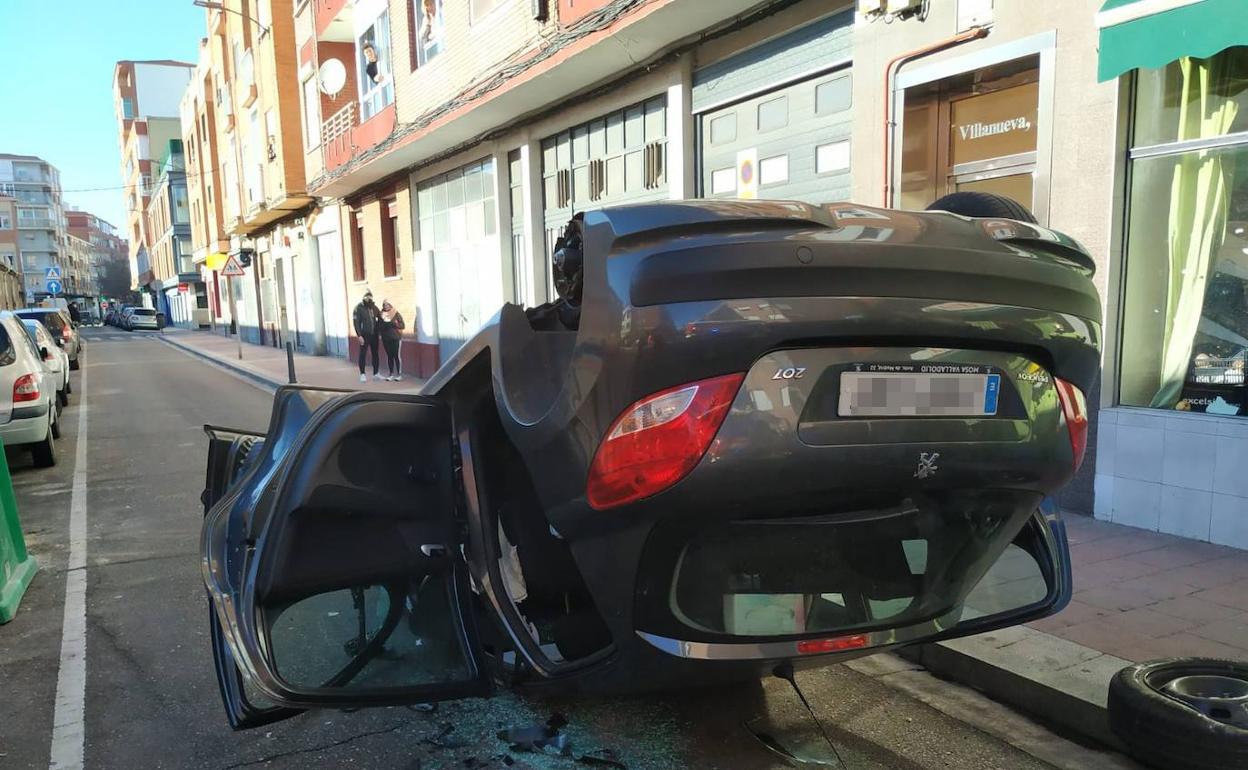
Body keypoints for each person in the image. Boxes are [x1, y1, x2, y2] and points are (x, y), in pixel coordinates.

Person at [353, 290, 381, 383]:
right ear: (364, 298)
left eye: (370, 297)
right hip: (364, 335)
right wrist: (359, 335)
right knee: (363, 354)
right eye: (367, 297)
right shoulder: (358, 308)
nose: (369, 299)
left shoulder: (374, 308)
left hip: (374, 335)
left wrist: (380, 332)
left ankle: (376, 373)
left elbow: (380, 319)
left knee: (375, 354)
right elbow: (356, 323)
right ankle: (362, 374)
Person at [377, 300, 406, 381]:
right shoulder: (381, 314)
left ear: (390, 305)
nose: (386, 306)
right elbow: (378, 326)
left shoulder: (396, 313)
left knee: (396, 356)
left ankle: (399, 374)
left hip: (396, 338)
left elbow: (402, 325)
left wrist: (395, 324)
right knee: (389, 356)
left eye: (387, 304)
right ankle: (391, 374)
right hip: (386, 339)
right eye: (384, 305)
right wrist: (383, 326)